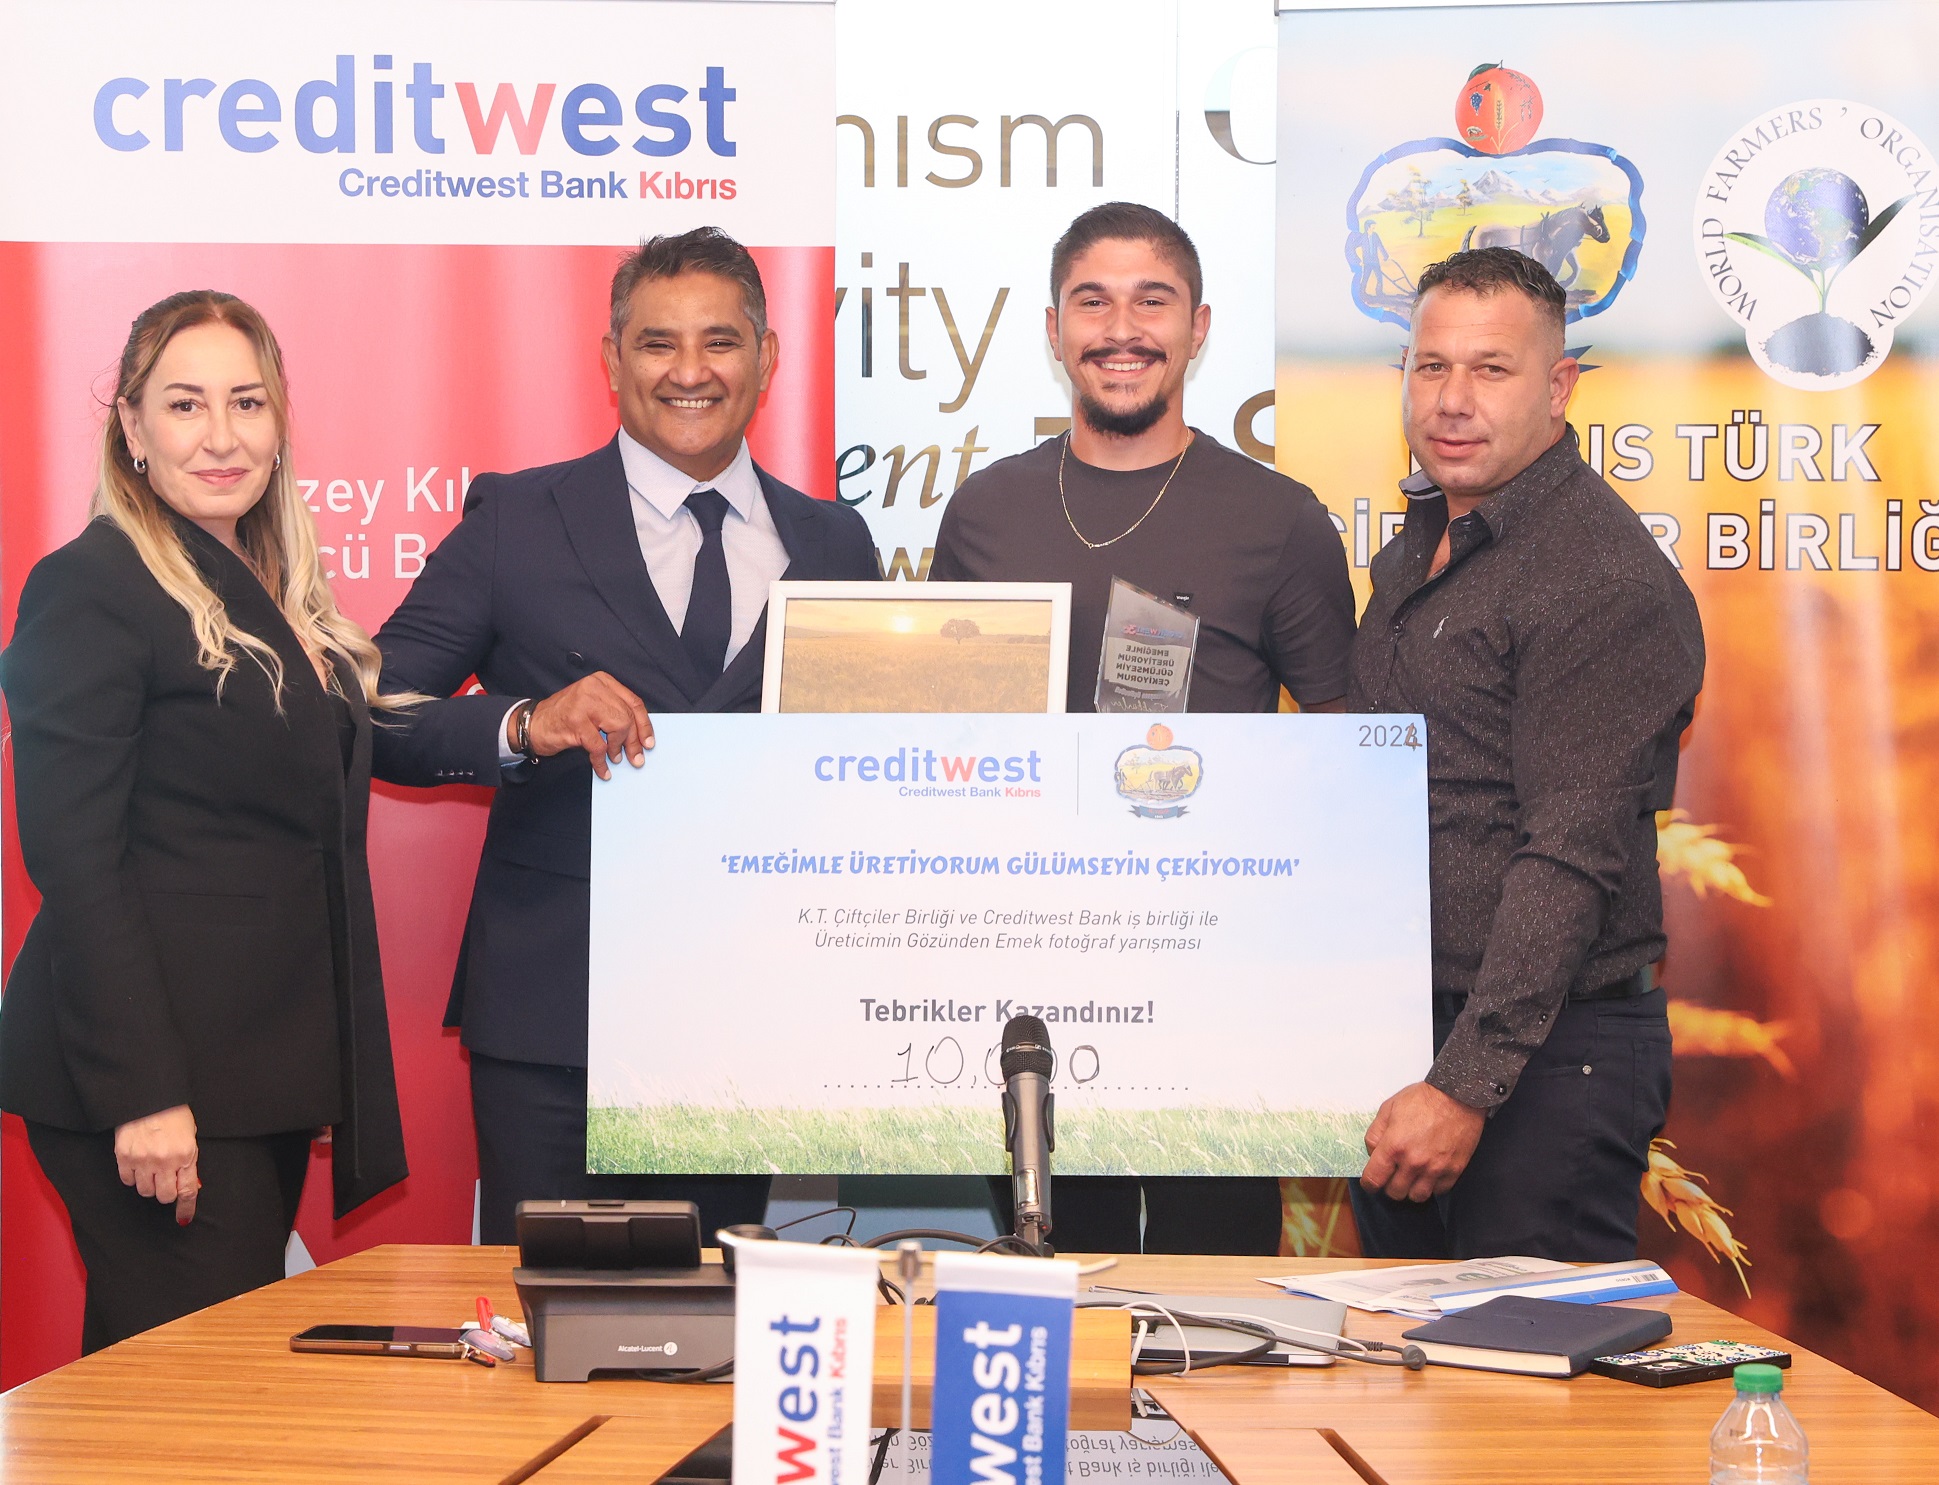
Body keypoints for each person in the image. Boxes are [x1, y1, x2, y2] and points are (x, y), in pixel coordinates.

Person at [372, 227, 877, 1245]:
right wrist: (524, 723)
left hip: (750, 1015)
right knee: (552, 1316)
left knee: (712, 1317)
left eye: (719, 341)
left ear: (768, 358)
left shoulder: (835, 542)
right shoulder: (518, 518)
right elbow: (373, 709)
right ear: (611, 361)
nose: (689, 371)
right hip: (558, 1017)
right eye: (657, 343)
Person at [932, 202, 1356, 1254]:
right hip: (1020, 960)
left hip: (1213, 973)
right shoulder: (983, 514)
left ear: (1198, 327)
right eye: (1093, 302)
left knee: (1218, 1270)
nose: (1121, 330)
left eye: (1151, 301)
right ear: (1053, 328)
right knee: (1051, 1262)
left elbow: (1345, 756)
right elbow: (941, 741)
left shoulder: (1279, 520)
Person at [0, 291, 409, 1352]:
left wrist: (525, 725)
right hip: (152, 1083)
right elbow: (76, 860)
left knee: (172, 1390)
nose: (222, 436)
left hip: (248, 1077)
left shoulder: (263, 591)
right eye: (186, 405)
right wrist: (143, 1095)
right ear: (132, 428)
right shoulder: (92, 585)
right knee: (188, 1394)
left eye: (247, 403)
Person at [1350, 247, 1704, 1261]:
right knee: (1400, 1358)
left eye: (1490, 369)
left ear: (1557, 388)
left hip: (1541, 1062)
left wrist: (1463, 1086)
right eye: (1431, 366)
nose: (1451, 400)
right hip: (1418, 1043)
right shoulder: (1421, 545)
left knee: (1517, 1364)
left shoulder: (1596, 578)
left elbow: (1569, 854)